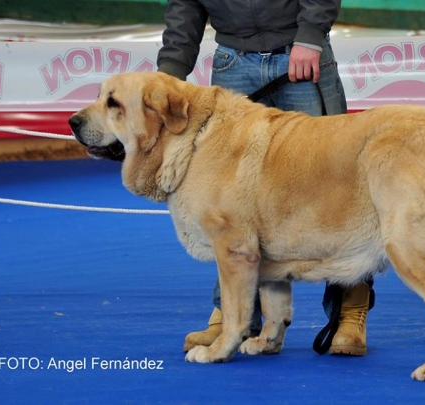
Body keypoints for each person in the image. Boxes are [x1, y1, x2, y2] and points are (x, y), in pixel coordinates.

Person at [157, 0, 375, 356]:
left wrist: (309, 36)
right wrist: (168, 74)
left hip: (301, 52)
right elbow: (184, 8)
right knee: (227, 205)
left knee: (339, 188)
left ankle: (349, 311)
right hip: (231, 59)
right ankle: (232, 317)